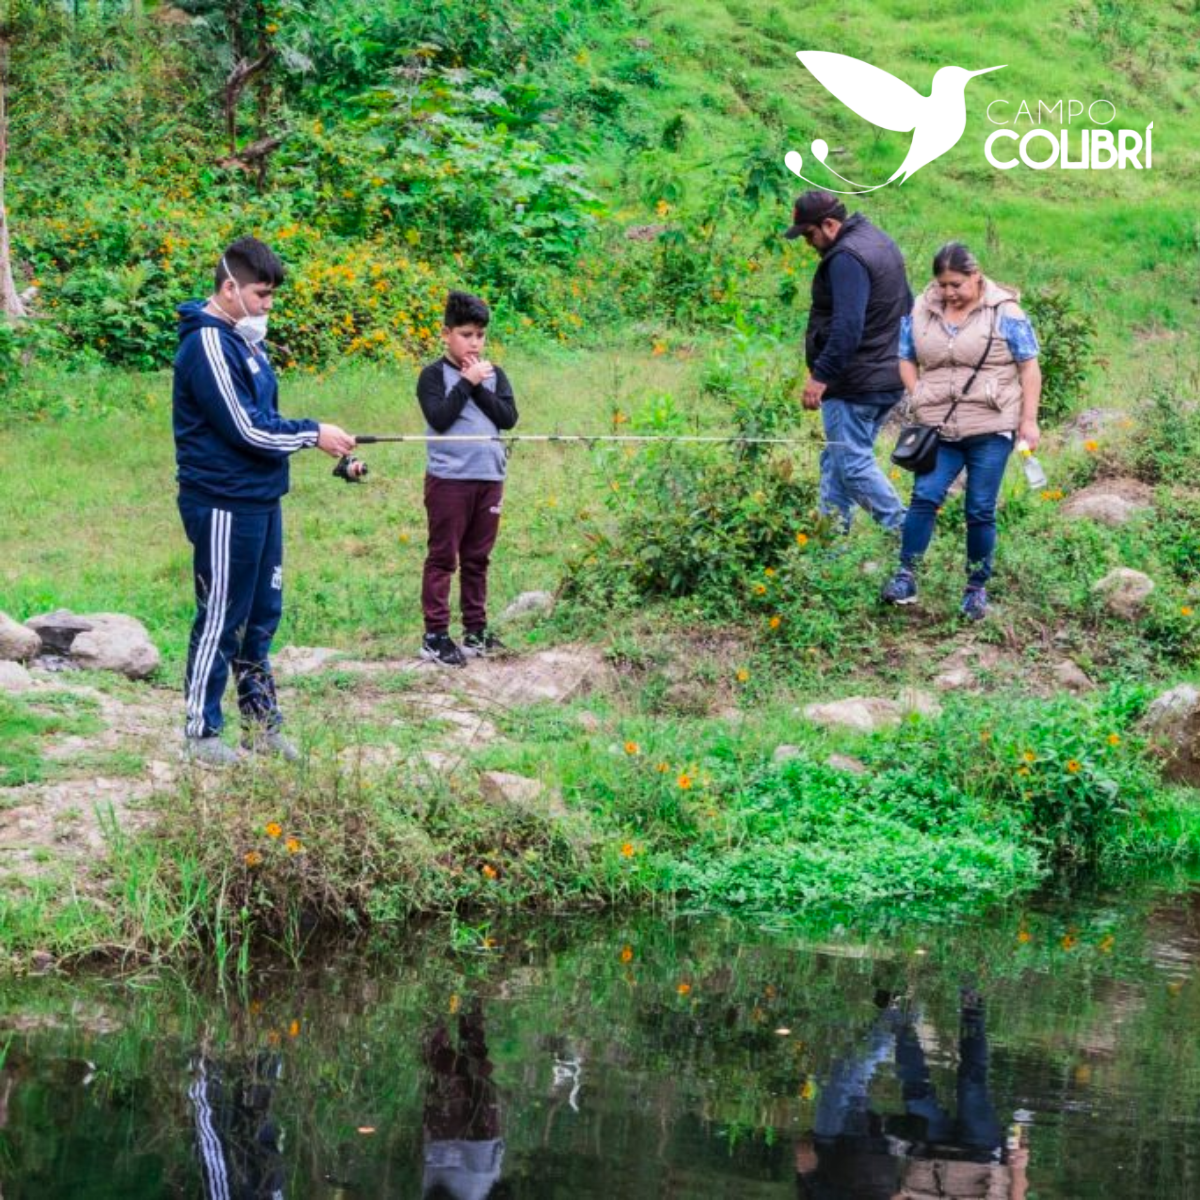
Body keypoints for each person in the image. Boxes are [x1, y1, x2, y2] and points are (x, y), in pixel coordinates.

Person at [173, 237, 356, 767]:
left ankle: (261, 724)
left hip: (261, 499)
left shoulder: (245, 341)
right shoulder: (207, 345)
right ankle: (201, 732)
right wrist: (312, 433)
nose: (267, 306)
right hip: (223, 503)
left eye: (272, 296)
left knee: (260, 616)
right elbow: (248, 429)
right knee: (221, 616)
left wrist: (315, 436)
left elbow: (264, 418)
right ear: (229, 288)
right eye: (261, 294)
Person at [881, 243, 1042, 621]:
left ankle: (975, 589)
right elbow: (905, 355)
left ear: (976, 276)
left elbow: (1029, 368)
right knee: (925, 496)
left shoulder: (1006, 312)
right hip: (939, 425)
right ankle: (906, 576)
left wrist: (1029, 421)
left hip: (991, 424)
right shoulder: (922, 309)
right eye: (942, 285)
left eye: (956, 284)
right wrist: (916, 392)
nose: (949, 292)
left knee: (980, 509)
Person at [785, 190, 912, 535]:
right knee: (837, 461)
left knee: (852, 464)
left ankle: (907, 532)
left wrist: (821, 376)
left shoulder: (846, 258)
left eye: (809, 234)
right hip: (887, 374)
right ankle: (832, 547)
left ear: (829, 224)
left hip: (856, 382)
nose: (808, 243)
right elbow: (907, 306)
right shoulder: (878, 241)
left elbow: (847, 325)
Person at [416, 291, 518, 668]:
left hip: (490, 478)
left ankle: (475, 631)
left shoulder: (494, 375)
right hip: (449, 481)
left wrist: (477, 383)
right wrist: (464, 382)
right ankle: (435, 636)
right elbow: (440, 417)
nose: (474, 343)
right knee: (444, 558)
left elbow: (507, 418)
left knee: (478, 559)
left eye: (480, 335)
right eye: (465, 334)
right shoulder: (432, 376)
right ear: (446, 333)